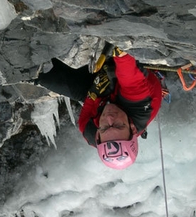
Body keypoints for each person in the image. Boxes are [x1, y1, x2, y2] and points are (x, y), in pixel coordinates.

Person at [34, 47, 162, 169]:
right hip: (134, 81)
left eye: (105, 127)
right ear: (132, 127)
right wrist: (121, 54)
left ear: (97, 136)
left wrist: (96, 89)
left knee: (41, 75)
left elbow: (89, 102)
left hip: (99, 93)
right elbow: (132, 80)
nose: (109, 118)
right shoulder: (141, 107)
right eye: (118, 125)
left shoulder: (88, 129)